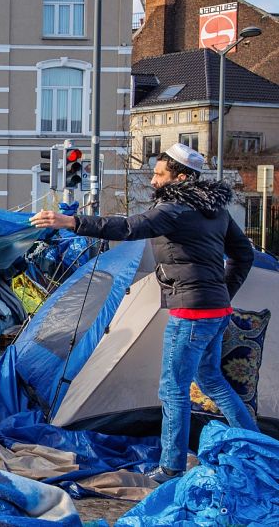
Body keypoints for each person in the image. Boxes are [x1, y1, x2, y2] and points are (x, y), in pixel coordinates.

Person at [30, 142, 258, 483]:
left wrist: (70, 220)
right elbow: (245, 254)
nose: (152, 180)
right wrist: (222, 293)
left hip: (191, 314)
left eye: (158, 174)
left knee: (173, 389)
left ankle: (171, 467)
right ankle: (256, 446)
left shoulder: (174, 210)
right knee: (211, 380)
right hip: (216, 310)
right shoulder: (216, 211)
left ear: (180, 177)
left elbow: (127, 227)